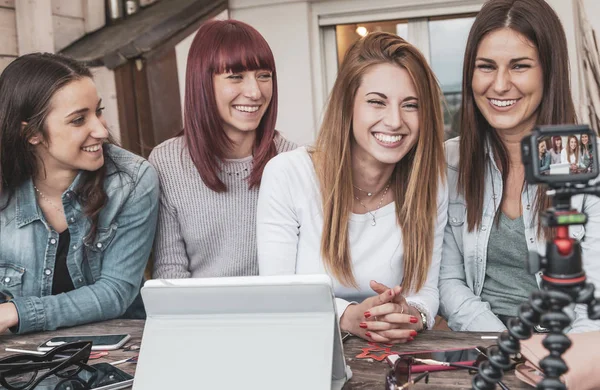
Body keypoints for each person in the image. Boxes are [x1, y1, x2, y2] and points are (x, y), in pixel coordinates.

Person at [257, 32, 448, 344]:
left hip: (391, 354)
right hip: (303, 347)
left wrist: (411, 313)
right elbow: (278, 296)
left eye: (411, 105)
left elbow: (424, 289)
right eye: (376, 102)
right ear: (348, 105)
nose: (395, 120)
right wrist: (346, 316)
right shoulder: (288, 174)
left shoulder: (430, 182)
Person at [439, 0, 600, 333]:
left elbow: (594, 294)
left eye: (519, 66)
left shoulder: (590, 165)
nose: (499, 85)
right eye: (485, 66)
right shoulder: (448, 163)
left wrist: (555, 358)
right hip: (483, 343)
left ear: (549, 71)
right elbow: (449, 280)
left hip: (567, 346)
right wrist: (505, 345)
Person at [0, 53, 159, 334]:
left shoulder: (132, 181)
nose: (101, 129)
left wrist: (18, 312)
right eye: (78, 120)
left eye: (98, 111)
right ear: (31, 134)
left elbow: (115, 292)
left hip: (116, 352)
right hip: (18, 360)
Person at [150, 20, 296, 279]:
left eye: (264, 76)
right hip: (200, 315)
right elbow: (170, 273)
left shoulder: (293, 161)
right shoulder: (167, 162)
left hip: (276, 313)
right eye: (236, 77)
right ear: (202, 83)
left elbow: (302, 271)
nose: (255, 92)